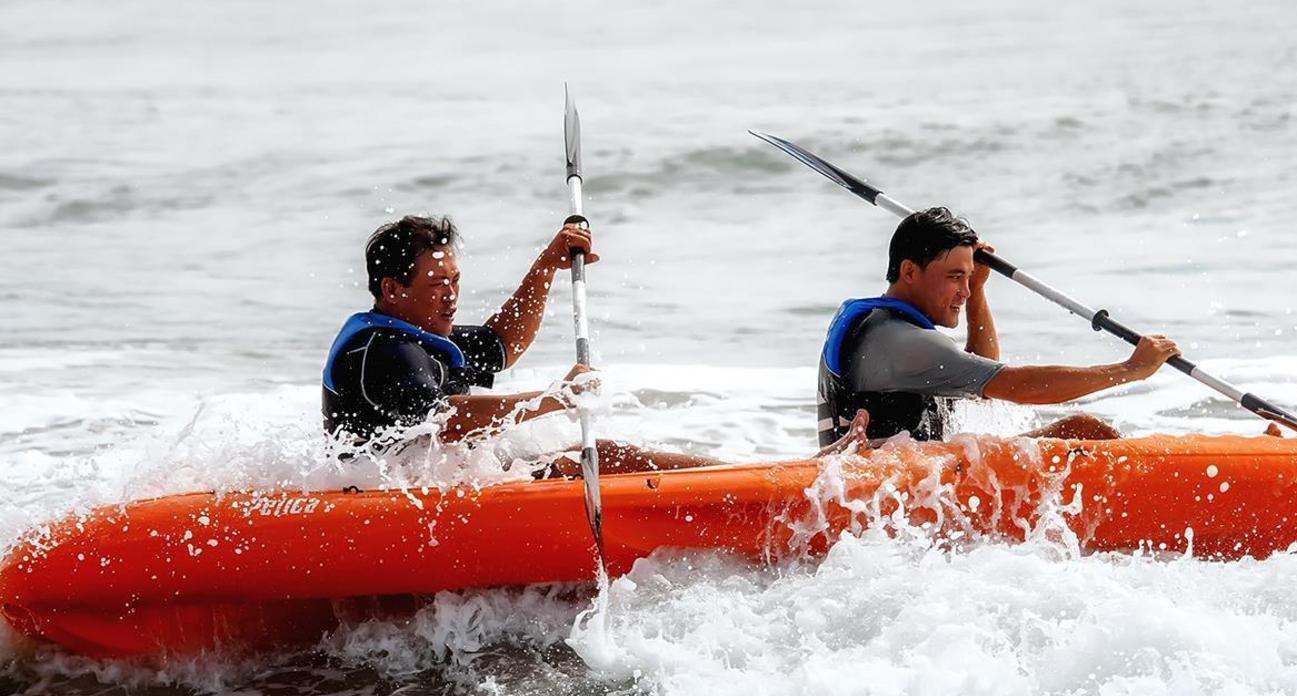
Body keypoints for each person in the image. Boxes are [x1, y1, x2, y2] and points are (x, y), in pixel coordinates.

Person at [323, 215, 718, 472]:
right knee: (594, 460)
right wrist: (554, 398)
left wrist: (547, 265)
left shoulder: (420, 331)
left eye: (455, 280)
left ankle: (730, 477)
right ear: (392, 289)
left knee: (602, 452)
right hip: (389, 506)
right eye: (436, 284)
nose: (450, 295)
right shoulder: (385, 351)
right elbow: (447, 422)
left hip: (434, 486)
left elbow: (502, 344)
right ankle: (739, 490)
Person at [816, 207, 1183, 449]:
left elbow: (980, 372)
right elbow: (1013, 384)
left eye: (969, 277)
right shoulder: (901, 342)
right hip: (896, 495)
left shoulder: (884, 327)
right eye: (955, 277)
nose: (963, 290)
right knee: (1088, 432)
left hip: (915, 481)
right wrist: (1130, 370)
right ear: (910, 271)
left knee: (1084, 431)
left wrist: (978, 294)